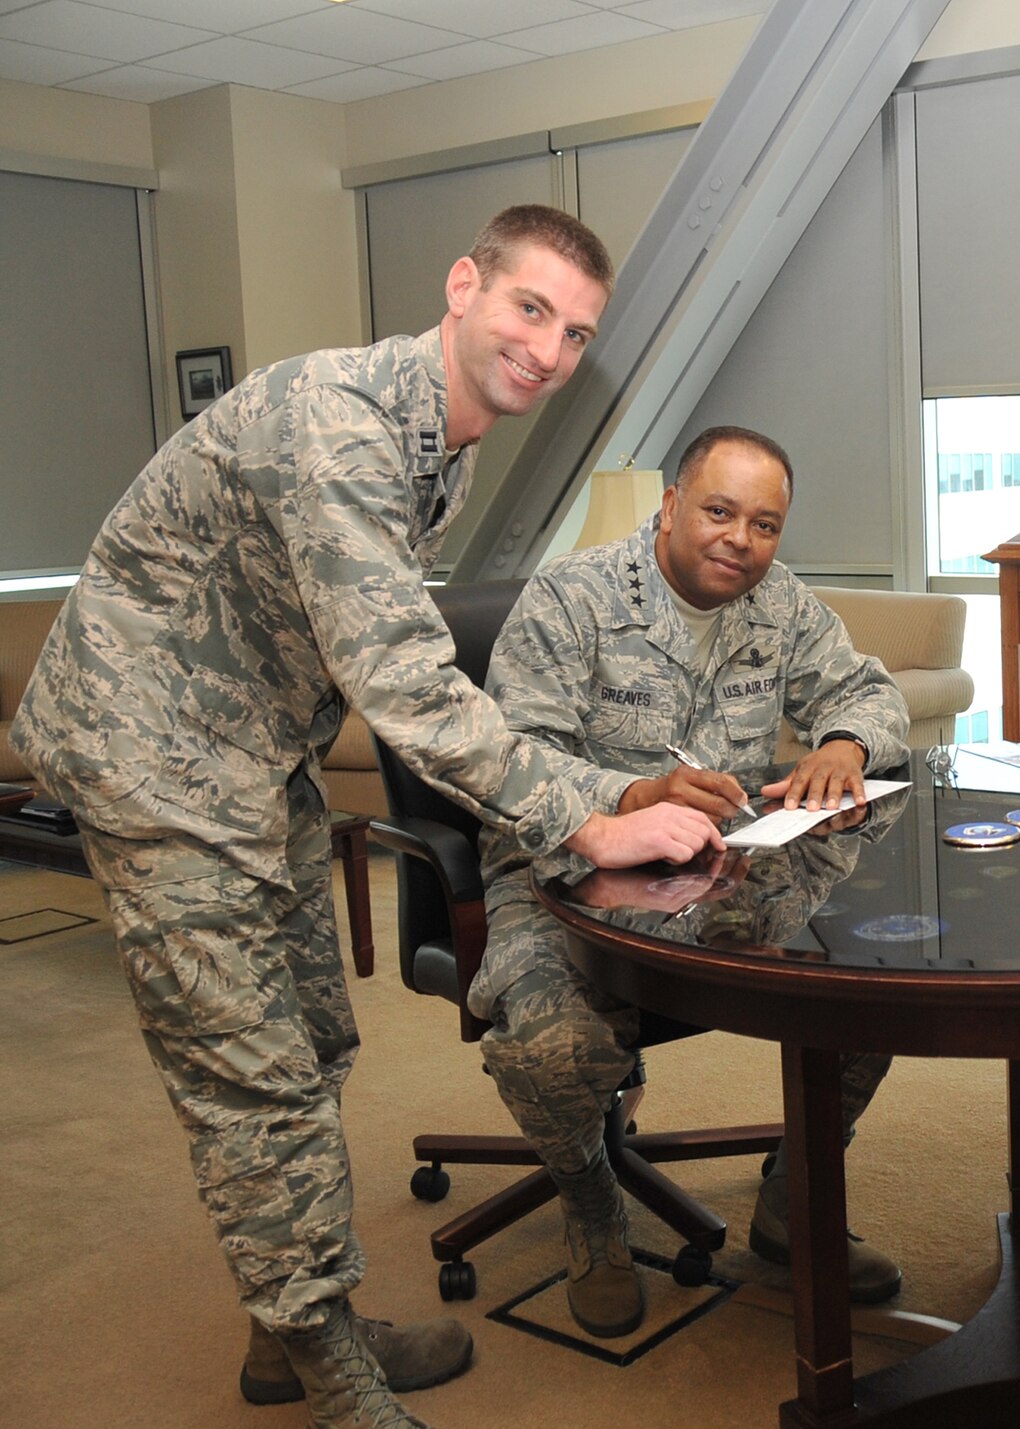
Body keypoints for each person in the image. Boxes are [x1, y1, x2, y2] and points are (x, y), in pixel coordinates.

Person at [9, 206, 724, 1429]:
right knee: (253, 1075)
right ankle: (337, 1379)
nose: (547, 351)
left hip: (249, 750)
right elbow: (401, 677)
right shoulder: (341, 424)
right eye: (529, 309)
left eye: (575, 332)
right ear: (464, 285)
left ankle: (288, 1330)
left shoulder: (444, 439)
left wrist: (593, 797)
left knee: (316, 1040)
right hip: (153, 758)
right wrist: (585, 822)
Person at [472, 424, 912, 1333]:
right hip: (562, 873)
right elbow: (508, 763)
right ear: (671, 505)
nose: (739, 541)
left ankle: (794, 1201)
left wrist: (845, 739)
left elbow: (870, 690)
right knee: (551, 1048)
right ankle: (591, 1199)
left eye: (764, 524)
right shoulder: (571, 598)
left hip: (726, 876)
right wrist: (628, 793)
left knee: (886, 971)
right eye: (718, 511)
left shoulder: (779, 602)